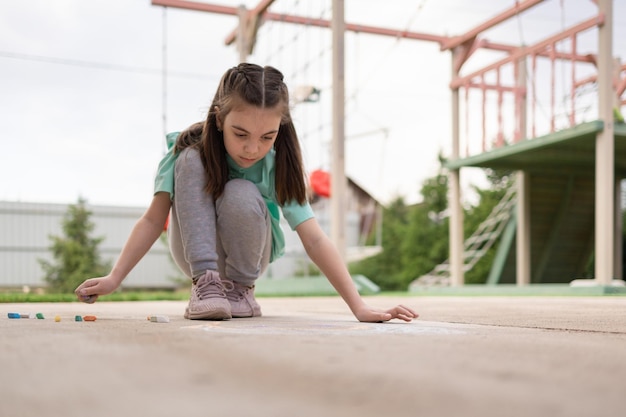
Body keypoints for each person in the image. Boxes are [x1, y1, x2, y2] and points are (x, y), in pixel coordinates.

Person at [75, 63, 418, 323]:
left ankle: (240, 292)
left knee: (239, 190)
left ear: (279, 130)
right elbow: (153, 219)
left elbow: (314, 239)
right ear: (220, 118)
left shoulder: (277, 164)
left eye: (266, 137)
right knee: (192, 159)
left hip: (248, 259)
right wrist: (114, 277)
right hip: (196, 256)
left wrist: (358, 306)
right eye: (240, 134)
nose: (253, 148)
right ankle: (206, 286)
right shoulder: (185, 151)